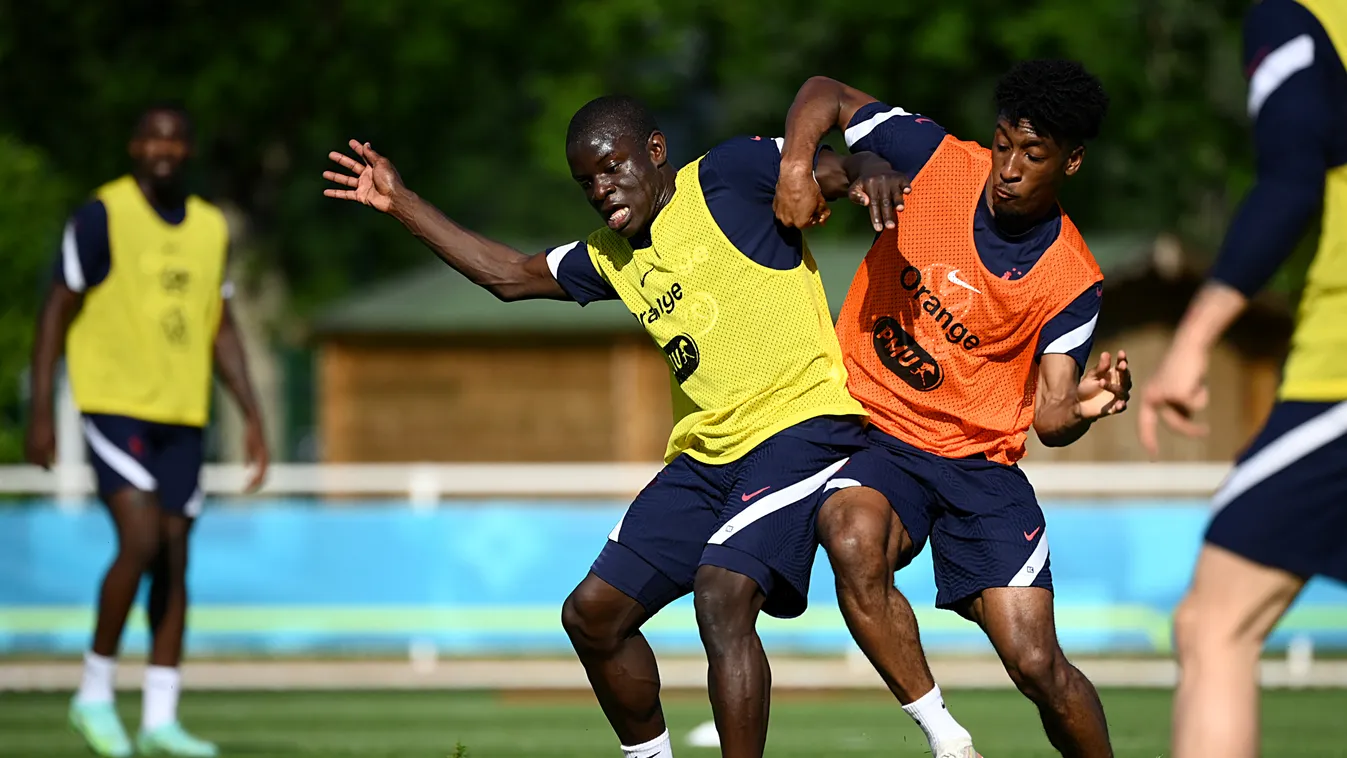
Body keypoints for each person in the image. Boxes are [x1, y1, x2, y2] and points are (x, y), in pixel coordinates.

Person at [323, 96, 976, 758]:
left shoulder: (726, 176)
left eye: (610, 168)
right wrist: (400, 202)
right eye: (586, 182)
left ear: (655, 152)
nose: (600, 189)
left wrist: (869, 169)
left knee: (722, 596)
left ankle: (942, 738)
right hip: (704, 461)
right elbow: (509, 276)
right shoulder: (609, 255)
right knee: (592, 616)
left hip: (800, 429)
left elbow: (834, 168)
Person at [774, 61, 1129, 758]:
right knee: (849, 537)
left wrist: (1085, 406)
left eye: (1033, 154)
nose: (1009, 167)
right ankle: (946, 737)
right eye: (1002, 145)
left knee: (1035, 664)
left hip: (978, 464)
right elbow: (825, 93)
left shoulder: (1070, 279)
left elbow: (1051, 421)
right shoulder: (934, 159)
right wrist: (794, 167)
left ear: (1072, 161)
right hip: (878, 434)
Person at [1136, 0, 1347, 755]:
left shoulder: (1297, 16)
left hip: (1338, 374)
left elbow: (1291, 181)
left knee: (1214, 624)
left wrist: (1191, 340)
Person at [25, 105, 269, 758]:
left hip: (183, 412)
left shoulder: (210, 226)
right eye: (152, 137)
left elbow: (220, 325)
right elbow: (57, 310)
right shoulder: (101, 215)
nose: (164, 148)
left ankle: (161, 719)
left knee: (175, 557)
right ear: (134, 146)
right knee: (139, 538)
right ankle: (94, 693)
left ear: (187, 151)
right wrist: (42, 410)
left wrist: (250, 414)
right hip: (114, 403)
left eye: (176, 139)